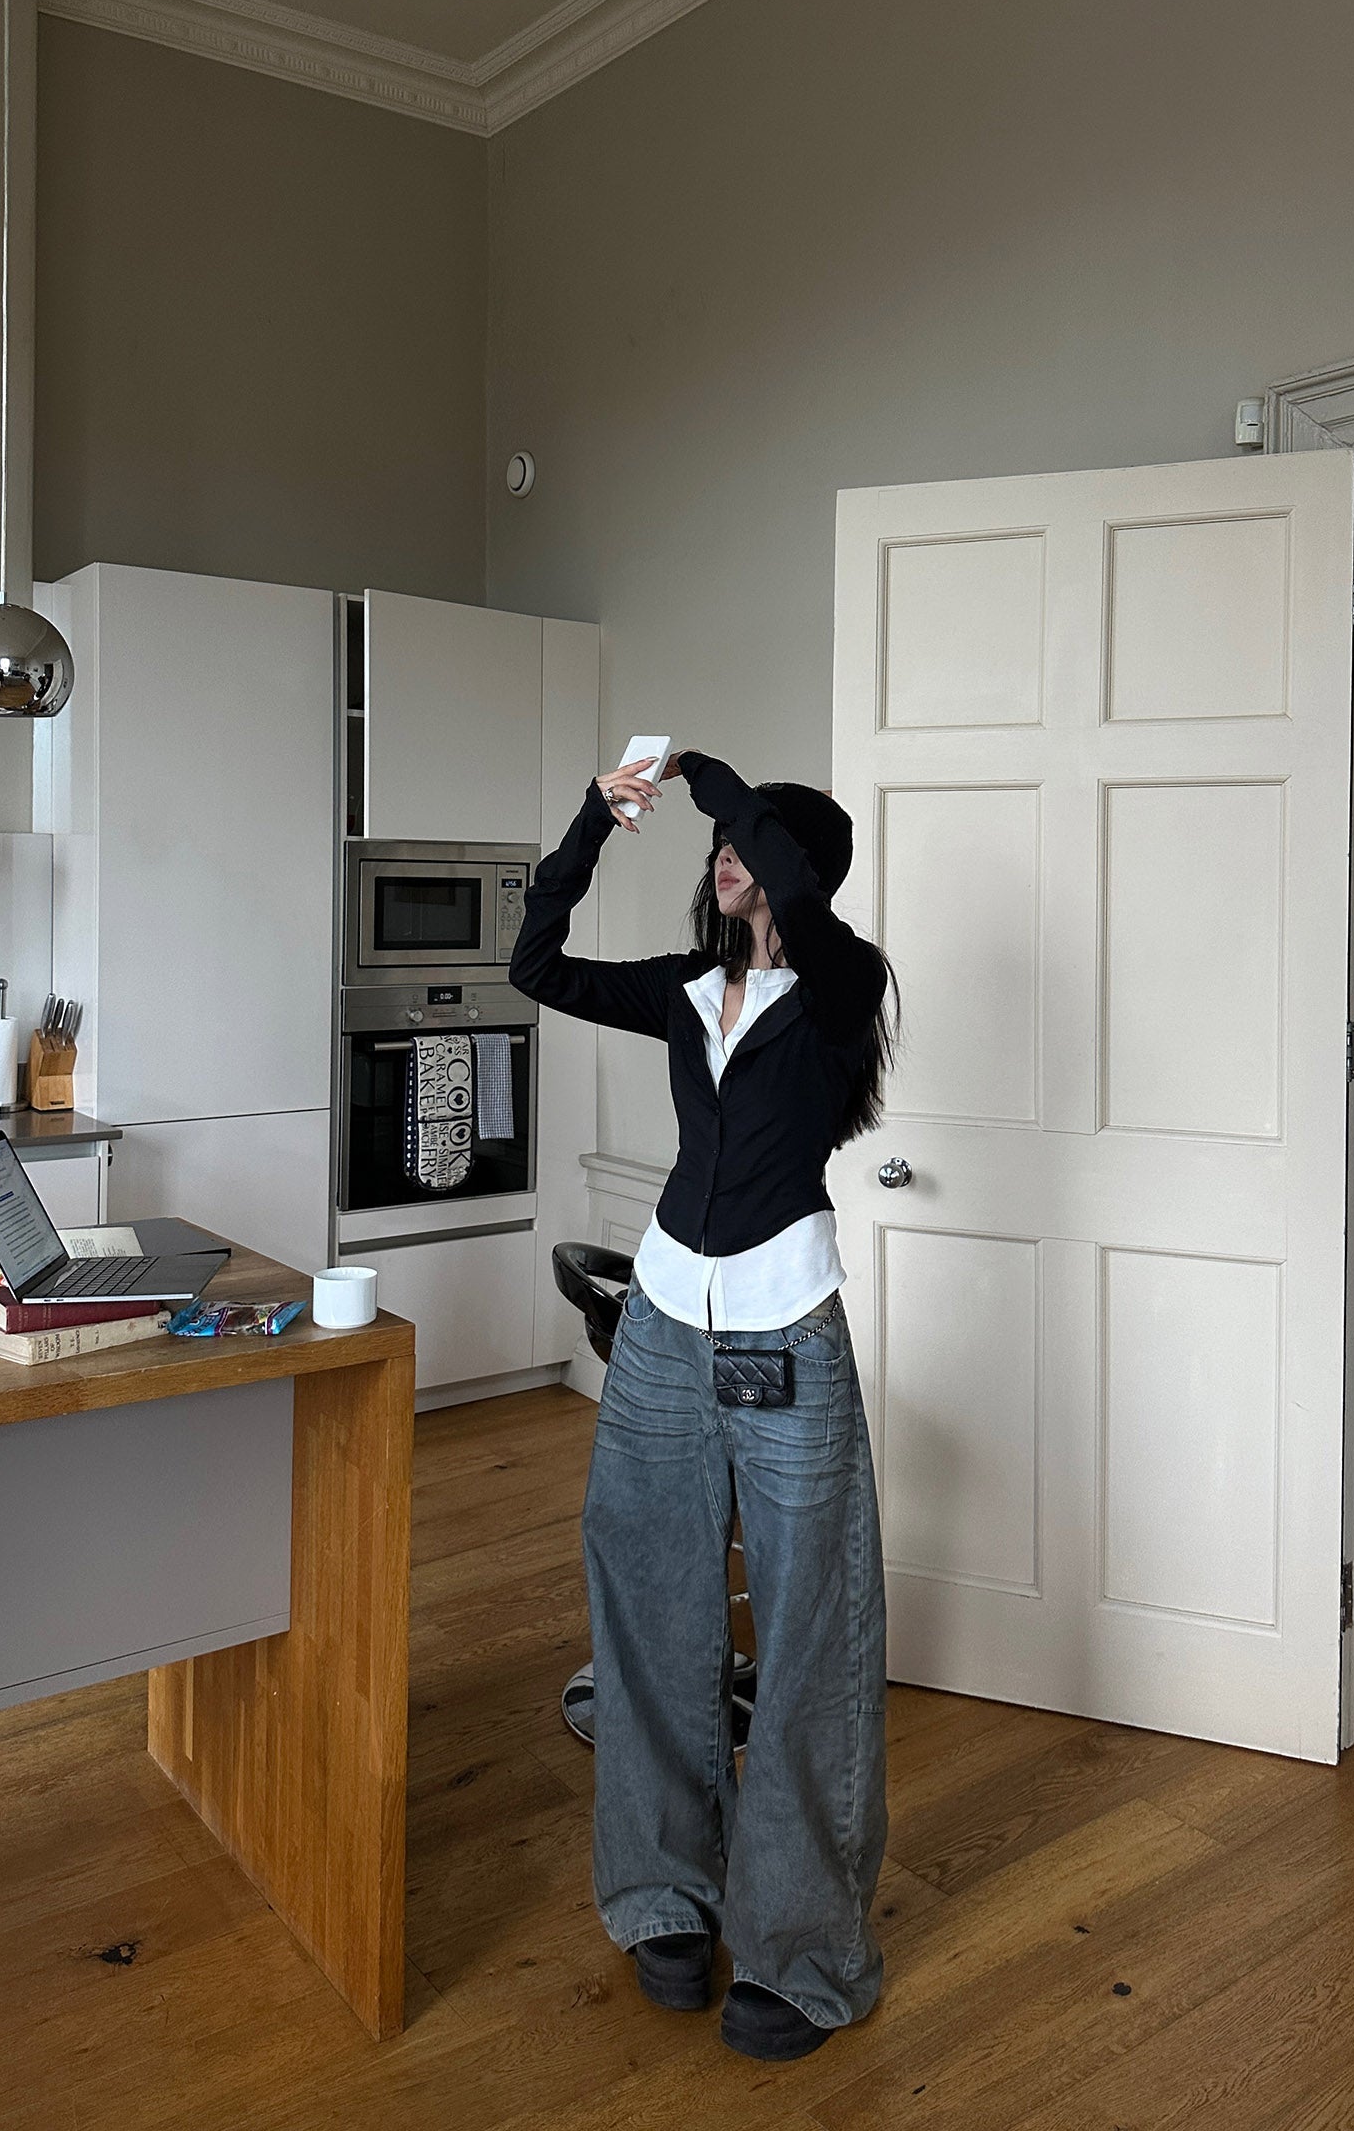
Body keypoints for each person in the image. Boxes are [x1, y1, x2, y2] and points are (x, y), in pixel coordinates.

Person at [508, 744, 900, 2064]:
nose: (725, 855)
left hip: (789, 1326)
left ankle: (803, 1950)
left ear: (798, 873)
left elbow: (779, 861)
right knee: (649, 1600)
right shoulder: (687, 988)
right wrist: (595, 819)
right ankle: (663, 1896)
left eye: (750, 846)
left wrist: (716, 783)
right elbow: (537, 965)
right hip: (666, 1326)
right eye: (720, 844)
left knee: (811, 1631)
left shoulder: (844, 986)